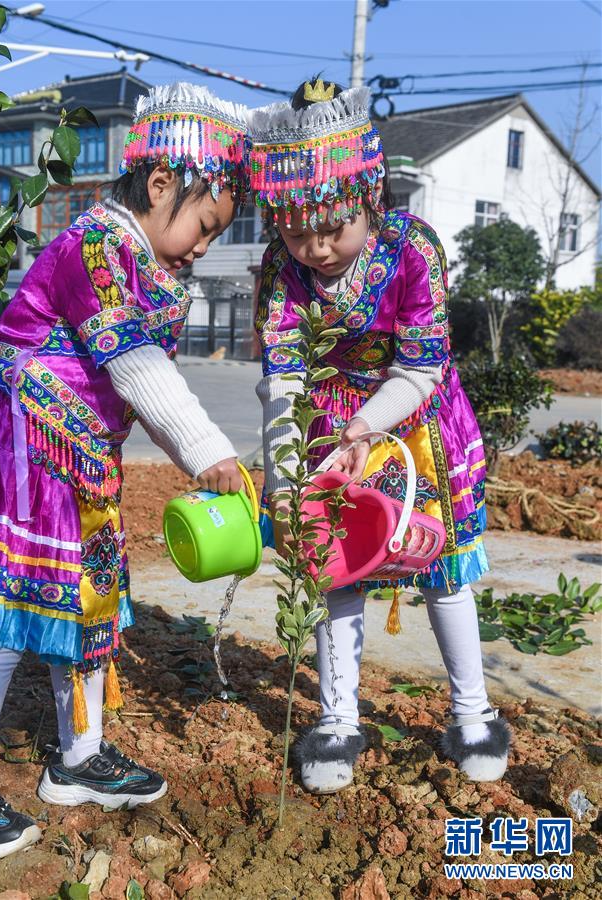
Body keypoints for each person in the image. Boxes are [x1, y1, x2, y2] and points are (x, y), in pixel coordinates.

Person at [0, 82, 247, 863]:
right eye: (204, 224)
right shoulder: (96, 245)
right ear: (161, 186)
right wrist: (207, 450)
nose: (202, 245)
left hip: (80, 461)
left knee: (88, 610)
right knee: (1, 623)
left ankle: (82, 757)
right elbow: (135, 365)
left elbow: (134, 377)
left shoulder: (146, 257)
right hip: (25, 452)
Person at [248, 79, 510, 795]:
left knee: (443, 570)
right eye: (297, 231)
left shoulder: (414, 248)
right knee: (335, 567)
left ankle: (473, 712)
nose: (317, 248)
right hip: (327, 431)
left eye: (332, 228)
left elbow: (423, 363)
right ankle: (337, 721)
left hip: (413, 420)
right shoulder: (280, 269)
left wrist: (367, 424)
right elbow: (283, 376)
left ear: (370, 200)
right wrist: (285, 476)